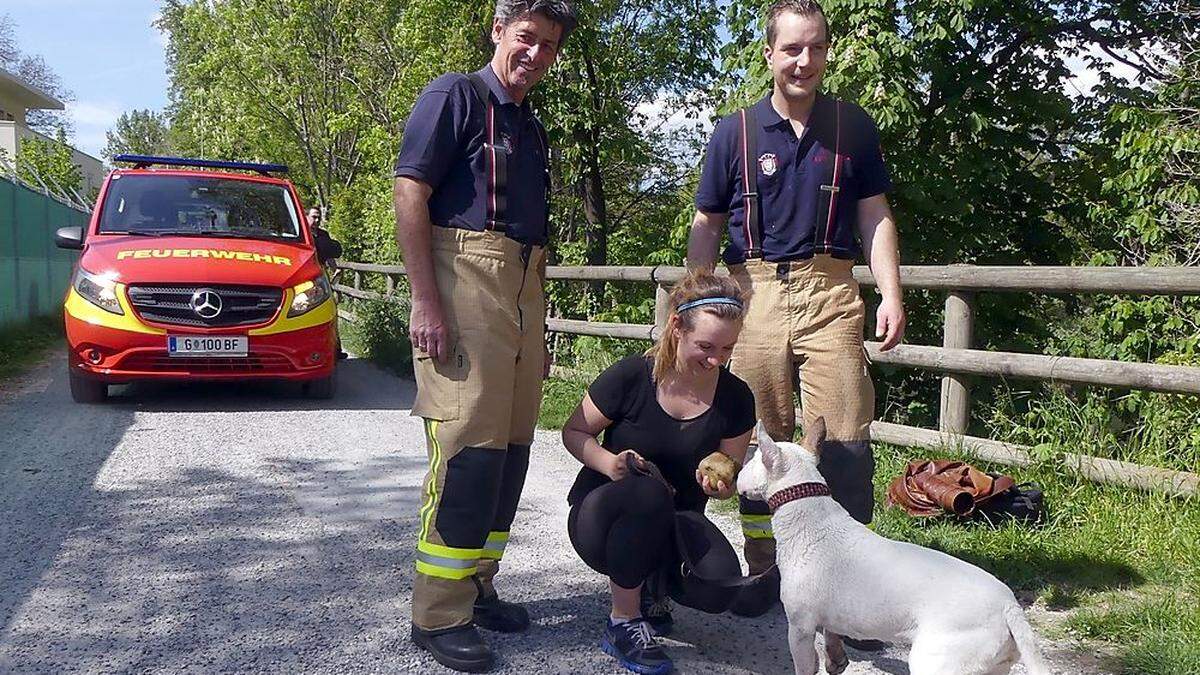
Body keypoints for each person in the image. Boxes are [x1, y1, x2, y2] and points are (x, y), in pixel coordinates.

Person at [687, 0, 906, 626]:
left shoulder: (852, 127)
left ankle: (853, 585)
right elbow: (707, 223)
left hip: (830, 285)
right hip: (751, 288)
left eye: (813, 47)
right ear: (769, 55)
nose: (802, 60)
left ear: (826, 51)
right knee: (763, 435)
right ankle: (768, 568)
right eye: (791, 48)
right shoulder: (735, 132)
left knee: (843, 429)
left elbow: (874, 215)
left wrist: (890, 291)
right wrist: (694, 299)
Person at [392, 1, 578, 671]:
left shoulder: (529, 125)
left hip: (524, 284)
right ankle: (437, 613)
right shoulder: (456, 96)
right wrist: (426, 300)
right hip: (464, 274)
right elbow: (411, 190)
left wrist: (537, 319)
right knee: (468, 448)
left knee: (512, 449)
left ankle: (477, 584)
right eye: (527, 37)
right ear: (499, 30)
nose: (537, 53)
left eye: (550, 44)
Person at [561, 271, 757, 675]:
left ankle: (654, 584)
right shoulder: (633, 375)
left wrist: (719, 485)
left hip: (675, 520)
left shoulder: (736, 397)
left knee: (719, 590)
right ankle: (624, 621)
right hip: (603, 517)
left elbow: (729, 472)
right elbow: (573, 431)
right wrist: (608, 463)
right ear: (676, 327)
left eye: (727, 348)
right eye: (705, 345)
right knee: (646, 493)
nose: (716, 359)